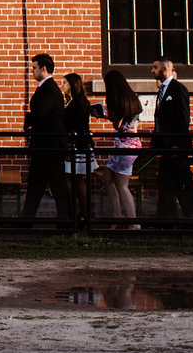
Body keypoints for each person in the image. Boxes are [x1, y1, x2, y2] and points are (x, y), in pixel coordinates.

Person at [21, 53, 71, 225]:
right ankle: (27, 219)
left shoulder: (48, 88)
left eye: (34, 68)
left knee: (56, 185)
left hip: (49, 145)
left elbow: (40, 114)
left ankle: (65, 220)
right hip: (45, 144)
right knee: (37, 184)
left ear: (43, 68)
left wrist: (28, 119)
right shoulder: (47, 87)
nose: (32, 71)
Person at [151, 58, 193, 223]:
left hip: (176, 147)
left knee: (182, 182)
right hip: (164, 146)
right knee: (165, 182)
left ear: (165, 69)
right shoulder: (162, 90)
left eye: (155, 68)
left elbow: (183, 118)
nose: (152, 71)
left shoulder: (177, 89)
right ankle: (166, 217)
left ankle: (192, 217)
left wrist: (178, 142)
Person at [97, 69, 141, 227]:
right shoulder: (132, 98)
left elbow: (118, 124)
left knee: (122, 185)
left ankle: (133, 222)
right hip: (130, 145)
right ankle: (117, 217)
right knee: (107, 179)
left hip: (124, 147)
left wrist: (107, 117)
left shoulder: (117, 101)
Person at [64, 72, 96, 224]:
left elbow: (71, 122)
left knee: (77, 180)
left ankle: (83, 212)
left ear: (72, 85)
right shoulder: (75, 102)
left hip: (78, 145)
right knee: (76, 180)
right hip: (78, 144)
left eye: (65, 83)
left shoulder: (78, 103)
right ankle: (81, 212)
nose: (63, 86)